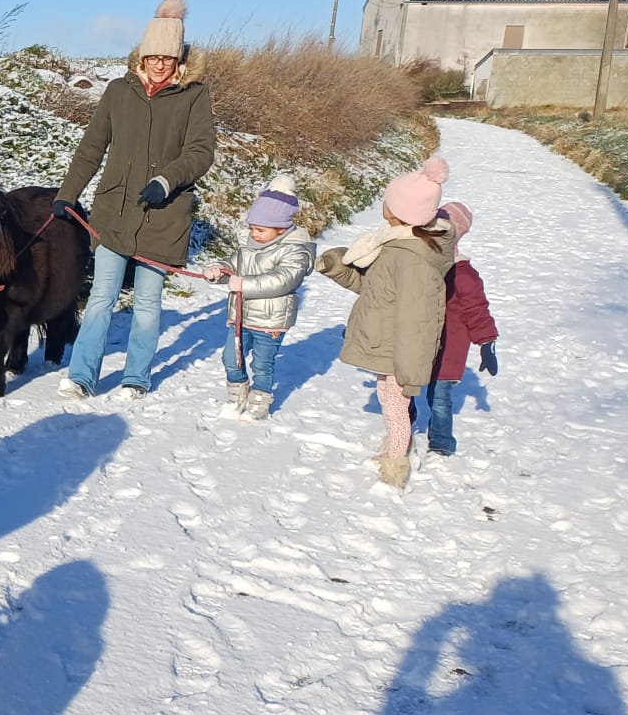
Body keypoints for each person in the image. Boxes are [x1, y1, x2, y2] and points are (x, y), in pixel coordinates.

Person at [53, 0, 218, 401]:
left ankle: (136, 378)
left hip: (165, 217)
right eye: (153, 56)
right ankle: (81, 377)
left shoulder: (193, 96)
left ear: (179, 60)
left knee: (147, 304)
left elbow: (201, 151)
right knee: (100, 298)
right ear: (141, 57)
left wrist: (167, 180)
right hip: (115, 213)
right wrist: (67, 194)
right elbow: (91, 148)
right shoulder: (117, 92)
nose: (160, 64)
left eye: (168, 57)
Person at [316, 157, 455, 489]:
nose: (383, 204)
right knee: (390, 405)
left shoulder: (411, 259)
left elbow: (416, 321)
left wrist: (410, 371)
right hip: (388, 344)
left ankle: (396, 464)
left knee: (395, 408)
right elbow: (375, 289)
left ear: (400, 211)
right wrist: (338, 266)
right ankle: (395, 449)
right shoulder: (395, 244)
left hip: (396, 350)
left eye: (388, 200)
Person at [206, 172, 314, 421]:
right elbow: (231, 267)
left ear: (280, 229)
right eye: (252, 228)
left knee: (262, 365)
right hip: (241, 316)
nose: (254, 234)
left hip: (270, 321)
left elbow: (283, 280)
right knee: (231, 358)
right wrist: (217, 271)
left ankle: (260, 399)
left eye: (260, 230)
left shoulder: (294, 250)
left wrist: (242, 283)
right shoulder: (247, 247)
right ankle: (237, 391)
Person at [421, 200, 499, 455]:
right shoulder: (422, 266)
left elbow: (477, 311)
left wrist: (487, 342)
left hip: (449, 349)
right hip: (421, 343)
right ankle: (403, 430)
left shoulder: (463, 274)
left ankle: (442, 442)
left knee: (439, 398)